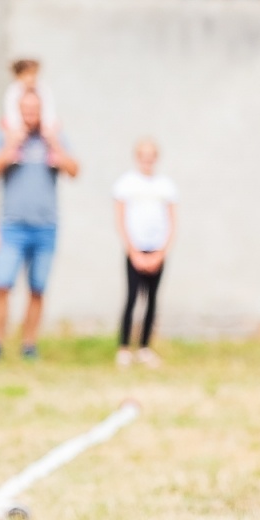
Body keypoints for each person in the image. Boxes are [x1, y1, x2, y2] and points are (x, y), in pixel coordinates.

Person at [0, 89, 78, 361]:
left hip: (46, 226)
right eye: (26, 110)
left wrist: (54, 143)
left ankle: (29, 345)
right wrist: (10, 146)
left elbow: (74, 170)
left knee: (37, 288)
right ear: (18, 111)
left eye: (35, 110)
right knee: (2, 285)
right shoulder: (6, 136)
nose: (30, 115)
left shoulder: (54, 137)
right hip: (12, 226)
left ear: (42, 111)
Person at [112, 138, 177, 367]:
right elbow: (120, 219)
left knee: (152, 300)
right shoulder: (126, 184)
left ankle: (144, 347)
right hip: (135, 249)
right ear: (137, 157)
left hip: (157, 249)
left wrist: (161, 252)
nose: (147, 160)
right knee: (131, 298)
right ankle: (124, 347)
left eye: (151, 156)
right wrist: (133, 251)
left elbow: (172, 221)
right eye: (143, 156)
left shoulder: (165, 186)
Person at [0, 59, 60, 138]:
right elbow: (11, 109)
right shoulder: (14, 90)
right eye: (27, 75)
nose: (31, 78)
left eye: (33, 74)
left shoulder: (42, 88)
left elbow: (48, 106)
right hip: (17, 122)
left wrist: (47, 123)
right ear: (18, 76)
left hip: (40, 124)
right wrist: (17, 125)